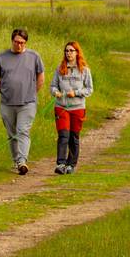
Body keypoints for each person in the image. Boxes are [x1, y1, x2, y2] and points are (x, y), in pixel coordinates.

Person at [0, 27, 44, 175]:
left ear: (26, 42)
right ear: (12, 41)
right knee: (12, 134)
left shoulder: (34, 57)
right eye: (16, 42)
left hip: (27, 103)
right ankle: (16, 160)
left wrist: (33, 92)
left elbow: (41, 77)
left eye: (22, 42)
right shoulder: (2, 57)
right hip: (7, 103)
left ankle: (22, 161)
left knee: (23, 131)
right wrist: (4, 91)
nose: (19, 45)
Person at [49, 39, 94, 174]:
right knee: (63, 135)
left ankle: (71, 164)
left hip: (77, 107)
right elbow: (53, 86)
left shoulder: (84, 70)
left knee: (73, 136)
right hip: (61, 107)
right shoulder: (60, 69)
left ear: (77, 52)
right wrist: (55, 92)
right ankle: (60, 164)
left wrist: (76, 93)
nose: (68, 53)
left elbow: (89, 89)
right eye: (66, 51)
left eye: (71, 51)